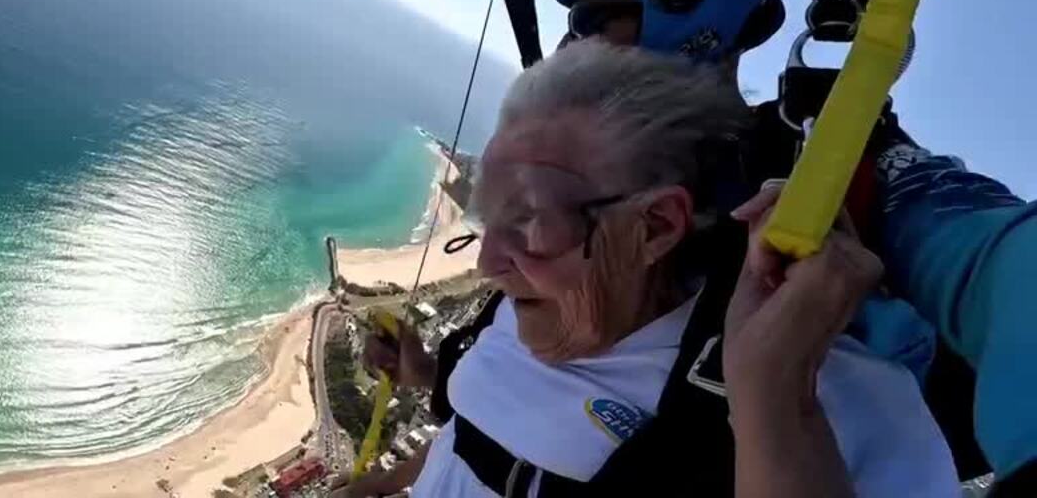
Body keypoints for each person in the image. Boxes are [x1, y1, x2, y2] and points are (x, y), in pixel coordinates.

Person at [406, 42, 957, 496]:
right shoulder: (532, 303)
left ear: (655, 227)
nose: (487, 264)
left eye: (529, 221)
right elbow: (476, 433)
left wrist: (778, 409)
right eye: (487, 215)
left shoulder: (845, 409)